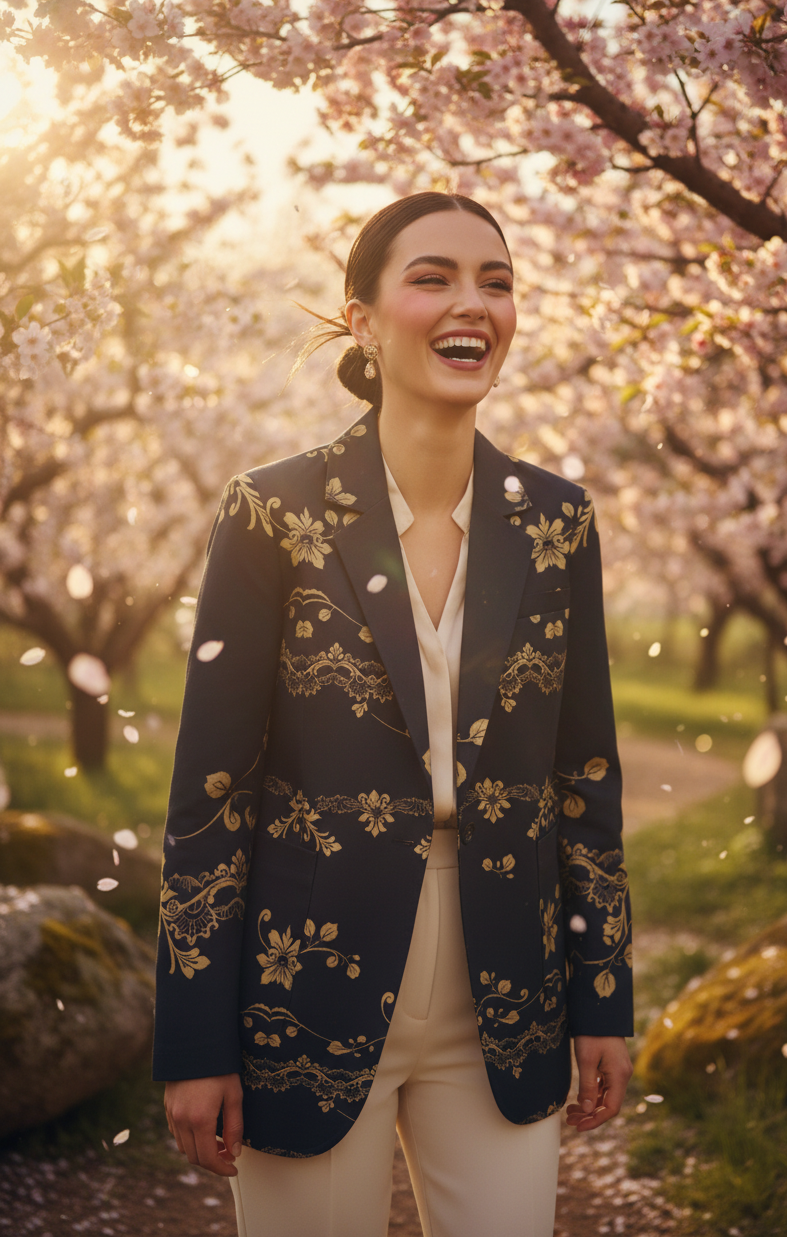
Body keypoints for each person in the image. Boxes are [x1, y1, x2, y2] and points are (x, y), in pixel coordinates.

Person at [154, 191, 633, 1237]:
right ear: (362, 318)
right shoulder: (270, 511)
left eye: (496, 281)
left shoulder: (557, 521)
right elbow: (211, 793)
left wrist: (603, 996)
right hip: (303, 983)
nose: (474, 303)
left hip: (506, 990)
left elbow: (583, 778)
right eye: (434, 277)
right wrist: (194, 1040)